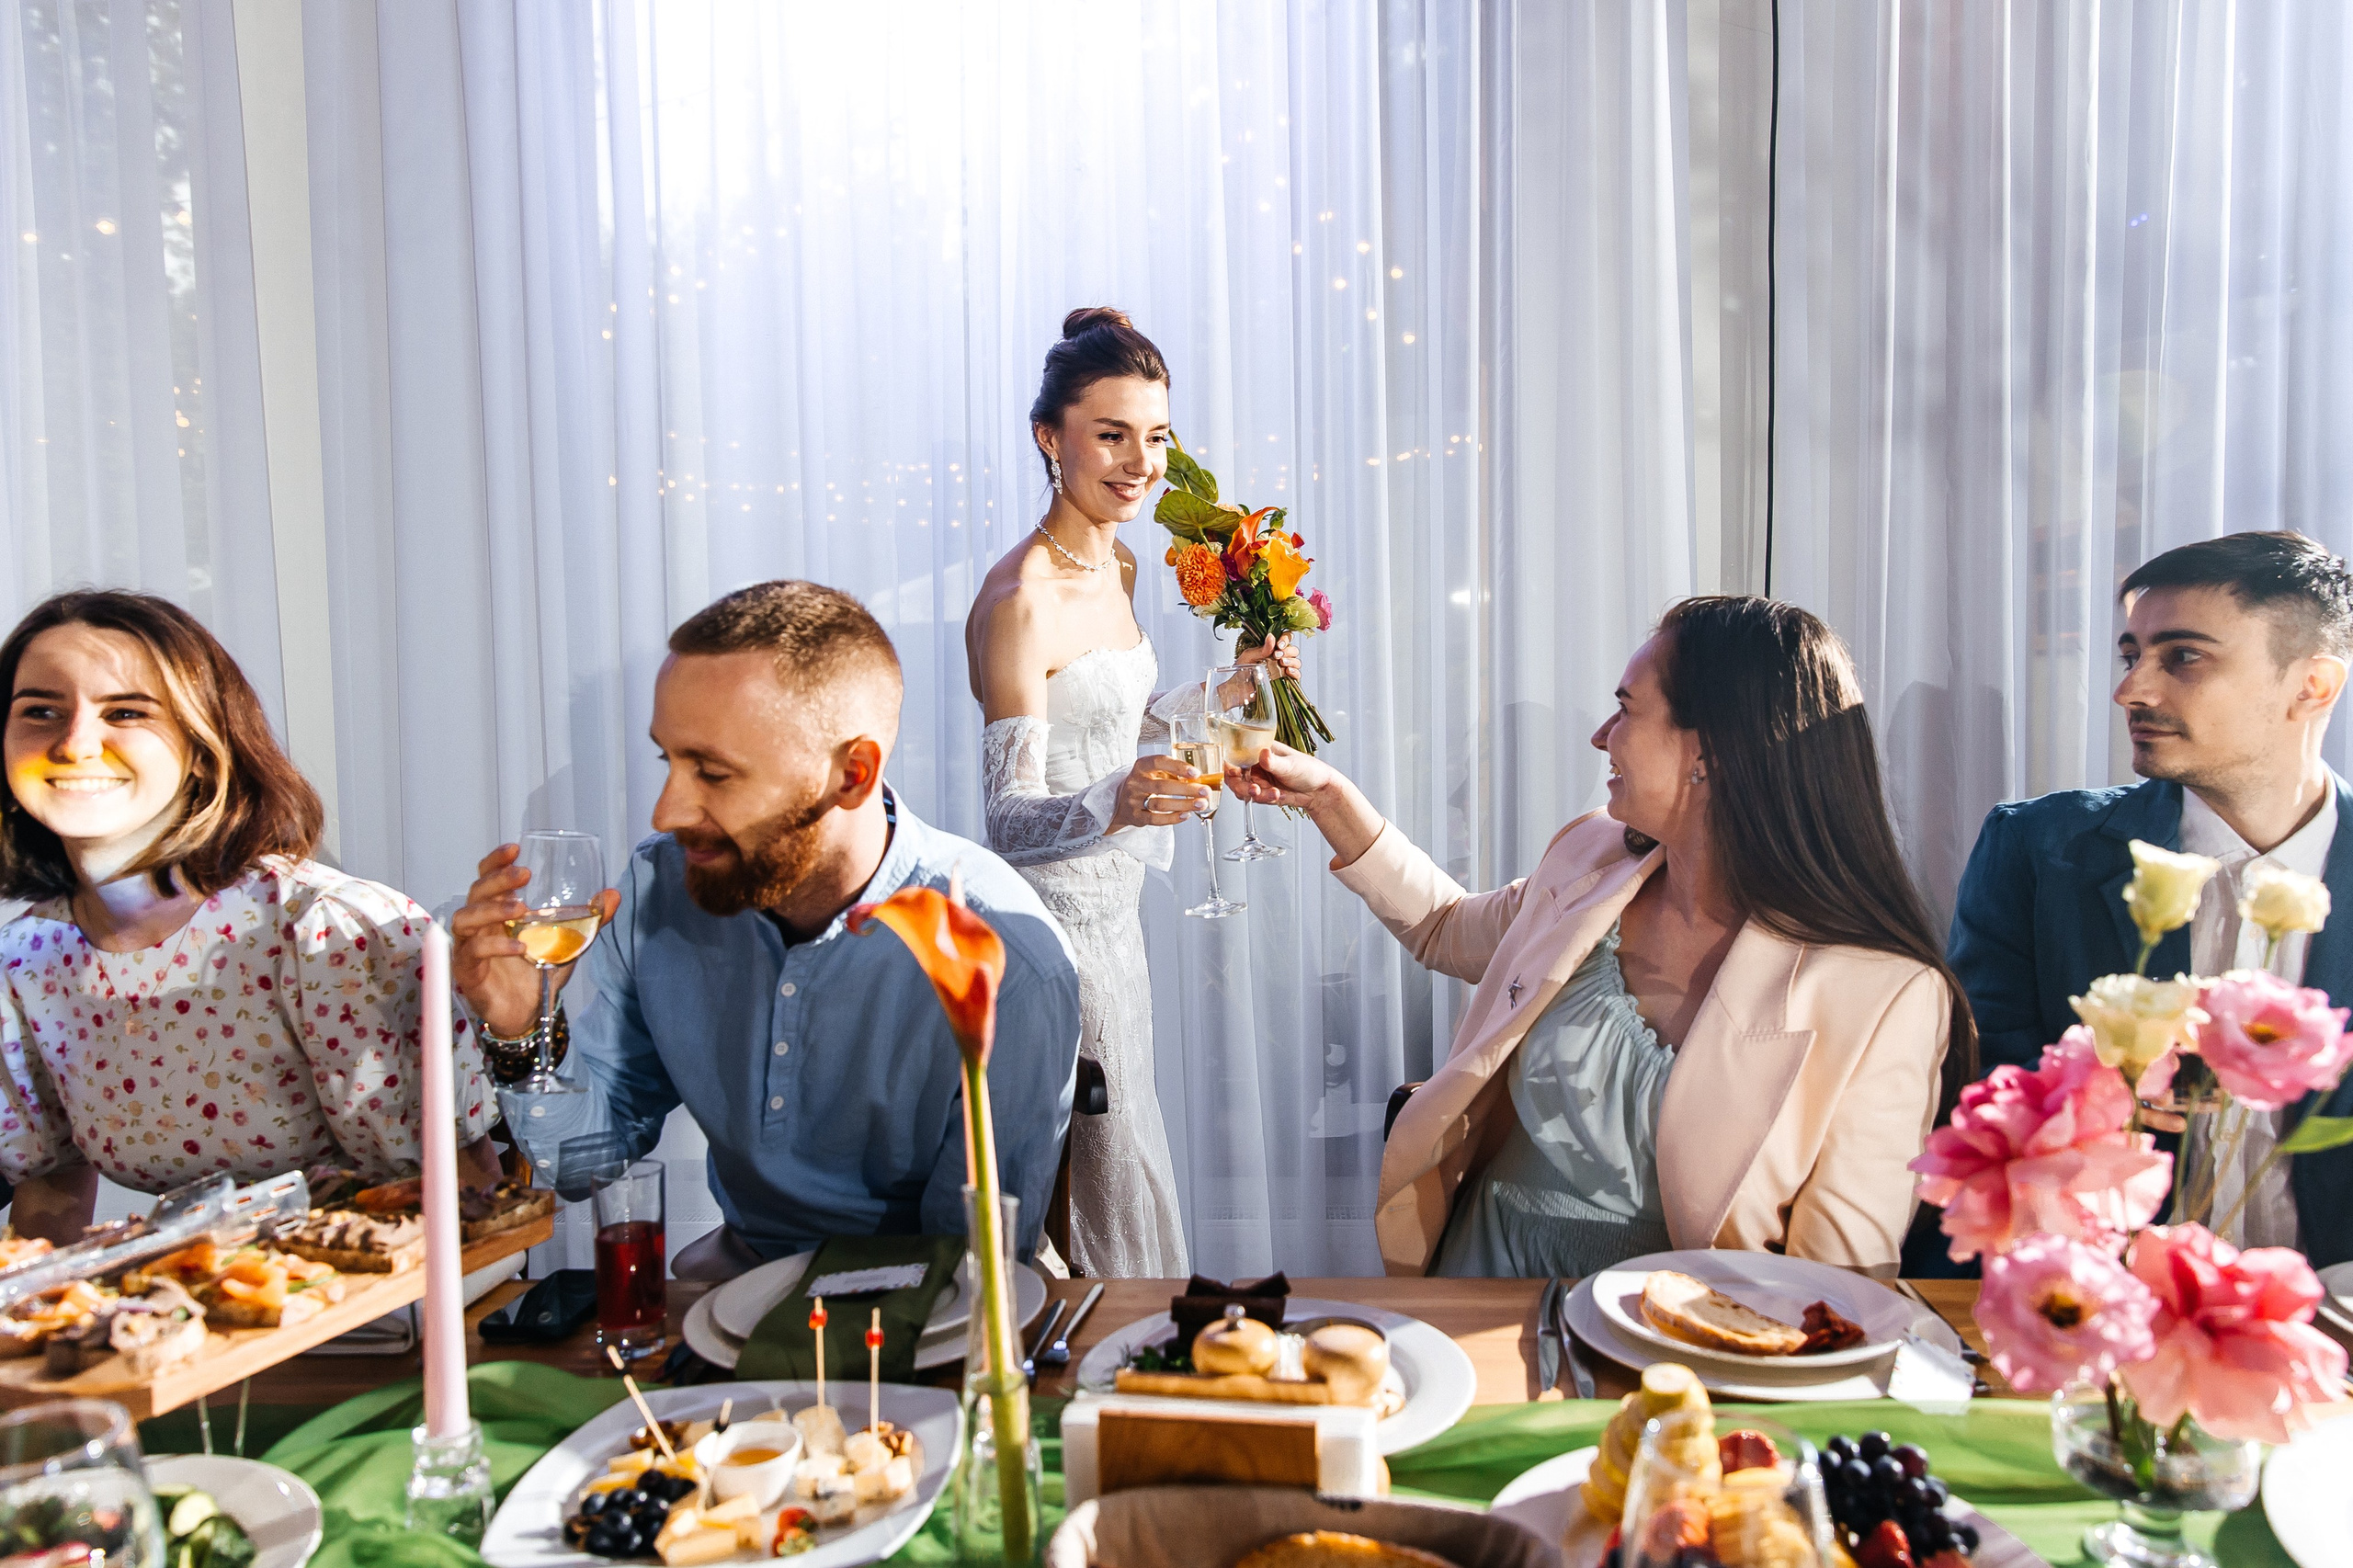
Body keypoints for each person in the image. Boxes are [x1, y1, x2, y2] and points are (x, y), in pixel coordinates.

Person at [1229, 596, 1970, 1278]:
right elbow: (1448, 930)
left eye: (1625, 711)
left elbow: (1835, 1290)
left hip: (1681, 1352)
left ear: (1710, 751)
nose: (1599, 735)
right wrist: (1330, 798)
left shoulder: (1887, 994)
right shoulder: (1593, 856)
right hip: (1475, 1284)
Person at [458, 580, 1080, 1271]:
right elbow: (581, 1164)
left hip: (932, 1308)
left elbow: (966, 1267)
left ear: (853, 773)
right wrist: (520, 1030)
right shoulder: (661, 891)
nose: (665, 814)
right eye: (670, 761)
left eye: (714, 774)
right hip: (738, 1277)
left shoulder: (1007, 957)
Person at [0, 589, 499, 1244]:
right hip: (197, 1314)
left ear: (202, 747)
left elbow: (464, 1195)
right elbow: (49, 1199)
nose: (74, 742)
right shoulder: (25, 960)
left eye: (125, 712)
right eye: (41, 710)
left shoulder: (327, 931)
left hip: (379, 1315)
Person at [962, 306, 1296, 1278]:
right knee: (1088, 1179)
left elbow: (1123, 724)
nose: (1137, 462)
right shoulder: (1017, 602)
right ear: (1048, 437)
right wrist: (1120, 800)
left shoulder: (1119, 559)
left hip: (1119, 925)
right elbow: (1005, 818)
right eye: (1110, 434)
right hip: (1053, 935)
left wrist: (1223, 694)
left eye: (1153, 437)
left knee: (1124, 1150)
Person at [1948, 530, 2353, 1267]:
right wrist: (2089, 1104)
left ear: (2312, 685)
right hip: (2087, 1307)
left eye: (2183, 657)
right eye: (2133, 655)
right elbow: (1978, 1100)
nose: (2131, 689)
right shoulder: (2037, 852)